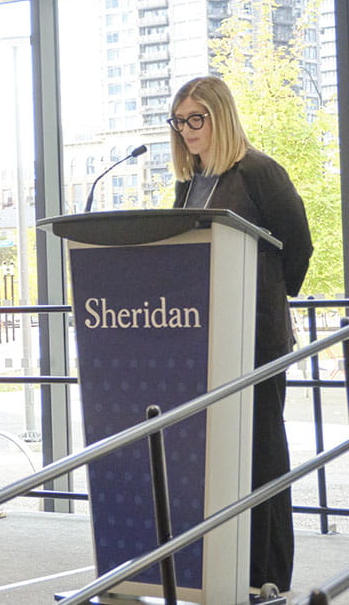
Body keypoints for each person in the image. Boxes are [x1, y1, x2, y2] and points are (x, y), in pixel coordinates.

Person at [168, 75, 312, 593]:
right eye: (179, 121)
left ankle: (268, 575)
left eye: (196, 118)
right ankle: (224, 567)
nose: (187, 130)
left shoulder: (258, 170)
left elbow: (298, 245)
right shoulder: (190, 181)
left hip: (256, 337)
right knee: (219, 456)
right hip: (205, 338)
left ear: (221, 116)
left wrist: (268, 295)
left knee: (262, 451)